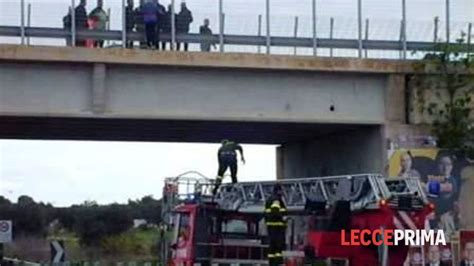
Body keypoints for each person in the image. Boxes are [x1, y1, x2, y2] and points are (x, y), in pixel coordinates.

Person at [265, 184, 287, 266]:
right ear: (278, 190)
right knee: (278, 247)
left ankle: (272, 263)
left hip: (271, 227)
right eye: (281, 190)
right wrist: (283, 218)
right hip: (277, 227)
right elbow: (275, 210)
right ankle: (278, 263)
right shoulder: (276, 199)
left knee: (272, 248)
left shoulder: (269, 199)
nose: (282, 192)